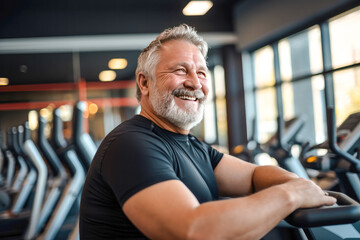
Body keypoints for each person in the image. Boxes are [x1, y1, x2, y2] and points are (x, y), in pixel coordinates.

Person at [79, 24, 336, 240]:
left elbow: (254, 176)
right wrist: (291, 195)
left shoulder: (188, 143)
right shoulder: (130, 144)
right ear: (144, 83)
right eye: (180, 70)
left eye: (201, 72)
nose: (194, 83)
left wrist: (300, 184)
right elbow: (191, 229)